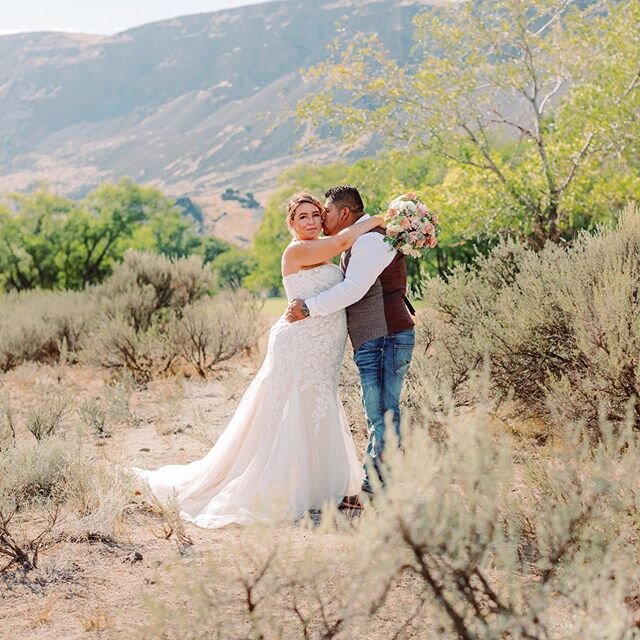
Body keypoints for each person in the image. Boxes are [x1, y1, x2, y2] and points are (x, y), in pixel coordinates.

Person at [133, 192, 385, 528]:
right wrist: (385, 218)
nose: (311, 222)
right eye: (302, 217)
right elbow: (342, 242)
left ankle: (316, 486)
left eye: (315, 215)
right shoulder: (297, 251)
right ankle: (280, 487)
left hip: (323, 348)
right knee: (289, 407)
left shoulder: (322, 254)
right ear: (291, 224)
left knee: (316, 404)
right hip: (298, 343)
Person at [286, 185, 415, 503]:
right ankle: (376, 484)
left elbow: (354, 289)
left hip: (385, 335)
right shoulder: (361, 239)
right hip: (375, 337)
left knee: (382, 411)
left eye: (324, 212)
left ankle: (375, 488)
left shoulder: (371, 240)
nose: (321, 218)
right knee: (379, 411)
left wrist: (308, 307)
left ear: (344, 213)